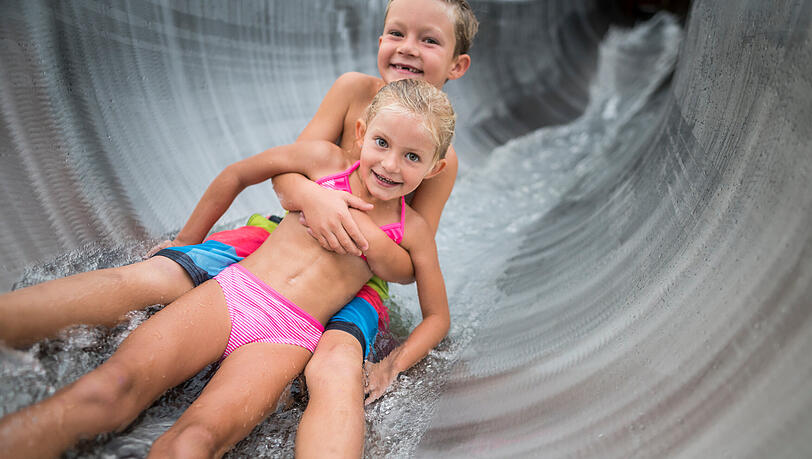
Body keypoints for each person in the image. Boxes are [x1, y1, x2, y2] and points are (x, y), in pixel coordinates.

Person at [0, 0, 478, 455]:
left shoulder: (431, 183)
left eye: (429, 41)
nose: (409, 48)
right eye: (398, 32)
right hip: (252, 274)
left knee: (307, 384)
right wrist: (312, 199)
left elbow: (409, 266)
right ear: (361, 136)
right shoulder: (343, 121)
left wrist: (389, 348)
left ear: (457, 65)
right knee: (113, 374)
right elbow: (274, 175)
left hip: (311, 316)